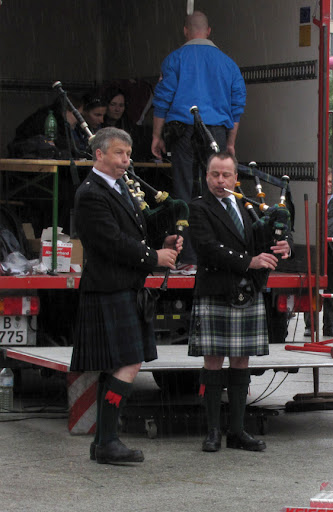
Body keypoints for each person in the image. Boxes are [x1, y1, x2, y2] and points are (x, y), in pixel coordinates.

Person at [70, 127, 182, 465]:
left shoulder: (117, 187)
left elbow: (133, 232)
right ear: (99, 154)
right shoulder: (91, 193)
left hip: (123, 286)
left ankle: (105, 440)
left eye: (128, 154)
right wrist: (153, 259)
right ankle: (106, 441)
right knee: (128, 362)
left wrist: (159, 246)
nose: (126, 160)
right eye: (119, 153)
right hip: (109, 287)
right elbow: (112, 242)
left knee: (122, 363)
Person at [187, 151, 292, 453]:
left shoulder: (245, 208)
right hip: (217, 291)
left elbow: (259, 243)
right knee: (213, 362)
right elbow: (208, 249)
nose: (220, 181)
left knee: (241, 362)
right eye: (214, 175)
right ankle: (211, 431)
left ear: (235, 178)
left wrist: (281, 247)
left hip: (245, 292)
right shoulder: (199, 208)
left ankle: (237, 431)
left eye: (226, 175)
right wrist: (250, 261)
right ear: (206, 177)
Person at [151, 10, 246, 266]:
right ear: (209, 31)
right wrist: (230, 143)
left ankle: (189, 257)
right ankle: (215, 254)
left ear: (185, 31)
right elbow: (237, 106)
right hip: (216, 131)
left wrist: (156, 136)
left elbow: (162, 100)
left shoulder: (175, 60)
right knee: (217, 190)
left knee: (183, 191)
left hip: (182, 131)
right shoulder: (228, 64)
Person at [304, 172, 333, 337]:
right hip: (316, 251)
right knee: (312, 288)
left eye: (331, 181)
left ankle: (328, 325)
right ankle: (310, 324)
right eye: (325, 181)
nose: (328, 184)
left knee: (331, 290)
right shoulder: (315, 200)